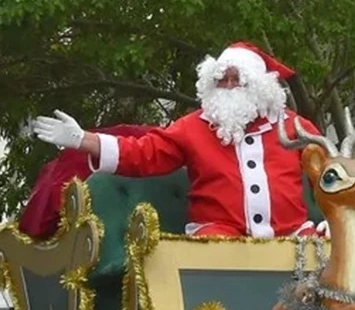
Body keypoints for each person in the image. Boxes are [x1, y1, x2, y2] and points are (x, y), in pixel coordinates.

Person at [31, 42, 322, 238]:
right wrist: (85, 140)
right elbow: (144, 152)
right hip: (219, 237)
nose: (230, 86)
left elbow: (333, 174)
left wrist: (342, 220)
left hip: (292, 238)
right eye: (223, 79)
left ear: (260, 86)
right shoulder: (193, 127)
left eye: (238, 79)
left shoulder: (294, 126)